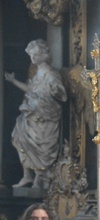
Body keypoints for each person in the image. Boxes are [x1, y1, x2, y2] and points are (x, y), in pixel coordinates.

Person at [4, 39, 67, 189]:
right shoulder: (37, 73)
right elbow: (31, 90)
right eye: (31, 55)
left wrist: (55, 90)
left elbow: (61, 94)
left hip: (46, 117)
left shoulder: (52, 74)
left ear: (44, 55)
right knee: (19, 135)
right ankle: (27, 175)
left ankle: (41, 177)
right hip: (32, 114)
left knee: (42, 148)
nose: (33, 58)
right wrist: (14, 82)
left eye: (35, 54)